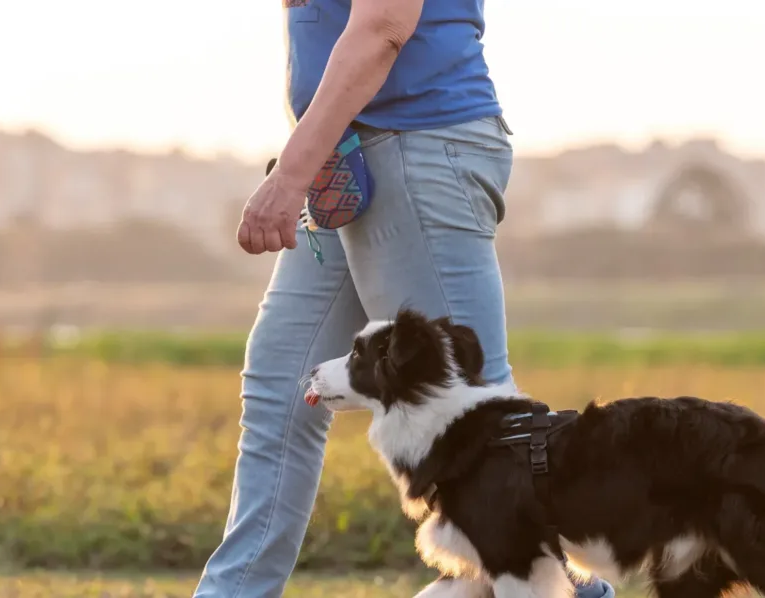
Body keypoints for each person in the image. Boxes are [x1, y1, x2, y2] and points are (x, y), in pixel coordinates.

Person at [193, 1, 615, 596]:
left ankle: (574, 593)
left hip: (417, 149)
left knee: (482, 412)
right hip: (344, 160)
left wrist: (290, 175)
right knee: (285, 393)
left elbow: (383, 26)